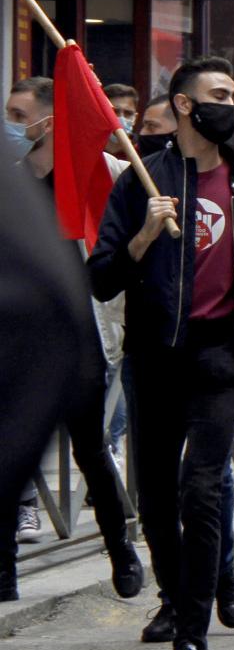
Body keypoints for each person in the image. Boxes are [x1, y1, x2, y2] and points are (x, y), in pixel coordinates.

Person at [88, 56, 234, 650]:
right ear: (183, 106)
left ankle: (191, 639)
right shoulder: (139, 184)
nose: (228, 104)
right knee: (154, 497)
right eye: (217, 94)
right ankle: (185, 594)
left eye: (233, 94)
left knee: (201, 488)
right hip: (154, 357)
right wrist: (142, 239)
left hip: (220, 357)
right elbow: (100, 279)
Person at [3, 78, 143, 602]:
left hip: (81, 333)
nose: (13, 125)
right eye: (9, 115)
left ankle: (120, 550)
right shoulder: (10, 183)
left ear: (51, 119)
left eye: (21, 114)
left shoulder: (101, 176)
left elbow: (138, 213)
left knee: (90, 450)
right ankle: (3, 572)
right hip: (19, 338)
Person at [104, 83, 140, 156]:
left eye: (128, 113)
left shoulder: (144, 151)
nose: (121, 118)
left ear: (135, 118)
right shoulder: (89, 151)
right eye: (115, 112)